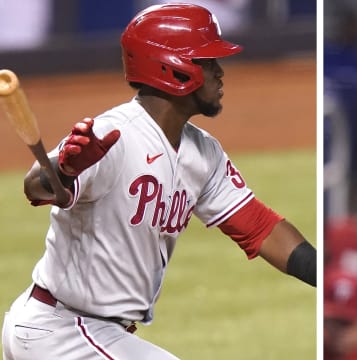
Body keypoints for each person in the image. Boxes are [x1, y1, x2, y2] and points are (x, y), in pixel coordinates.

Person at [1, 4, 316, 360]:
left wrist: (324, 274)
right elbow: (37, 186)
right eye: (207, 61)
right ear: (173, 69)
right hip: (61, 331)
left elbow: (260, 228)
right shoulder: (112, 134)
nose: (219, 72)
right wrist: (66, 170)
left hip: (88, 332)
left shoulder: (203, 153)